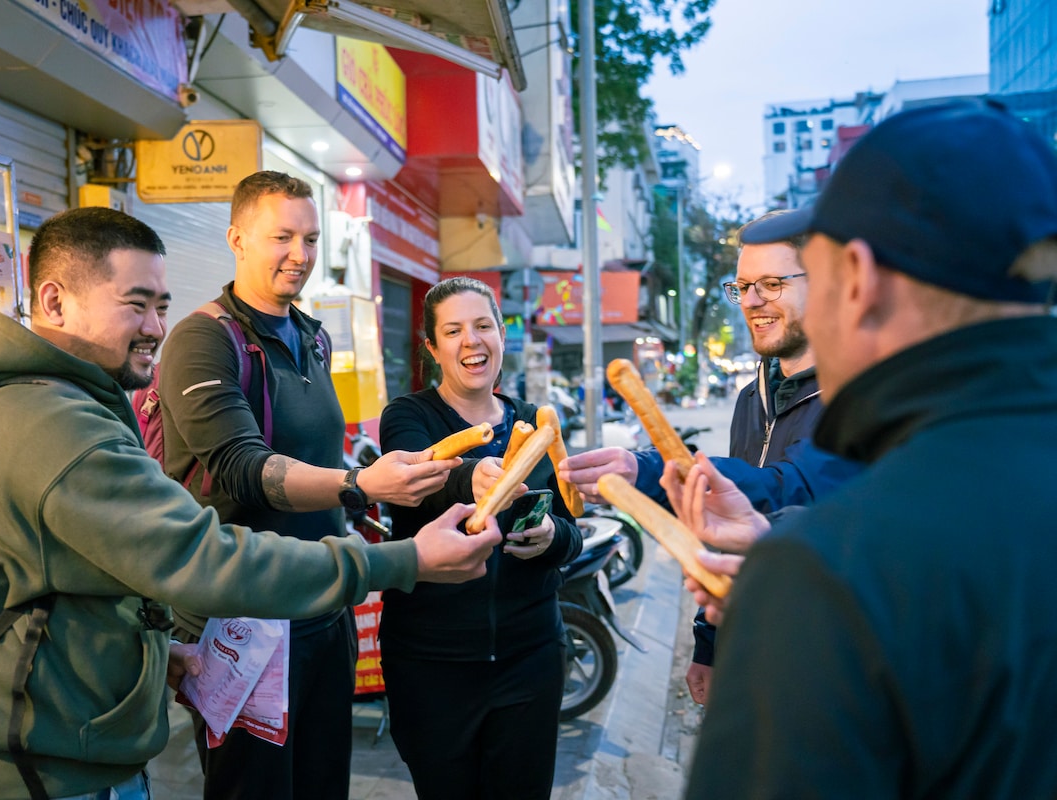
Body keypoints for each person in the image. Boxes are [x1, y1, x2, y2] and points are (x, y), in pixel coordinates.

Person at [0, 207, 501, 800]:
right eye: (135, 303)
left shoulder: (76, 401)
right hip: (34, 772)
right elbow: (202, 550)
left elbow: (77, 567)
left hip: (72, 748)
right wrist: (400, 556)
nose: (155, 326)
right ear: (54, 301)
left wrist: (145, 649)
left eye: (162, 305)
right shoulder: (53, 424)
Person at [678, 100, 1057, 797]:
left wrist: (787, 596)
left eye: (802, 284)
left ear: (857, 278)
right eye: (745, 288)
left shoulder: (833, 578)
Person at [155, 171, 456, 800]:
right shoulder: (203, 338)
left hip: (324, 606)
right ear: (237, 238)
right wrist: (359, 483)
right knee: (255, 790)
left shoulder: (310, 335)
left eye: (312, 239)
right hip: (246, 619)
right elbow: (244, 466)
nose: (301, 255)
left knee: (324, 784)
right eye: (282, 237)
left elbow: (319, 450)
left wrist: (374, 493)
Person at [561, 211, 858, 703]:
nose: (752, 300)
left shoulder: (858, 396)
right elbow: (725, 539)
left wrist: (653, 470)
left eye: (771, 283)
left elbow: (793, 487)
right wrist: (710, 643)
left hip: (825, 658)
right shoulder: (751, 396)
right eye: (742, 286)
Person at [377, 277, 584, 800]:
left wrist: (550, 537)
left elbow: (572, 529)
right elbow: (416, 488)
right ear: (432, 348)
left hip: (530, 656)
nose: (472, 341)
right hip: (431, 663)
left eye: (483, 326)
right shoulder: (409, 416)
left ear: (502, 336)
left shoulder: (537, 425)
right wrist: (471, 476)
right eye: (453, 330)